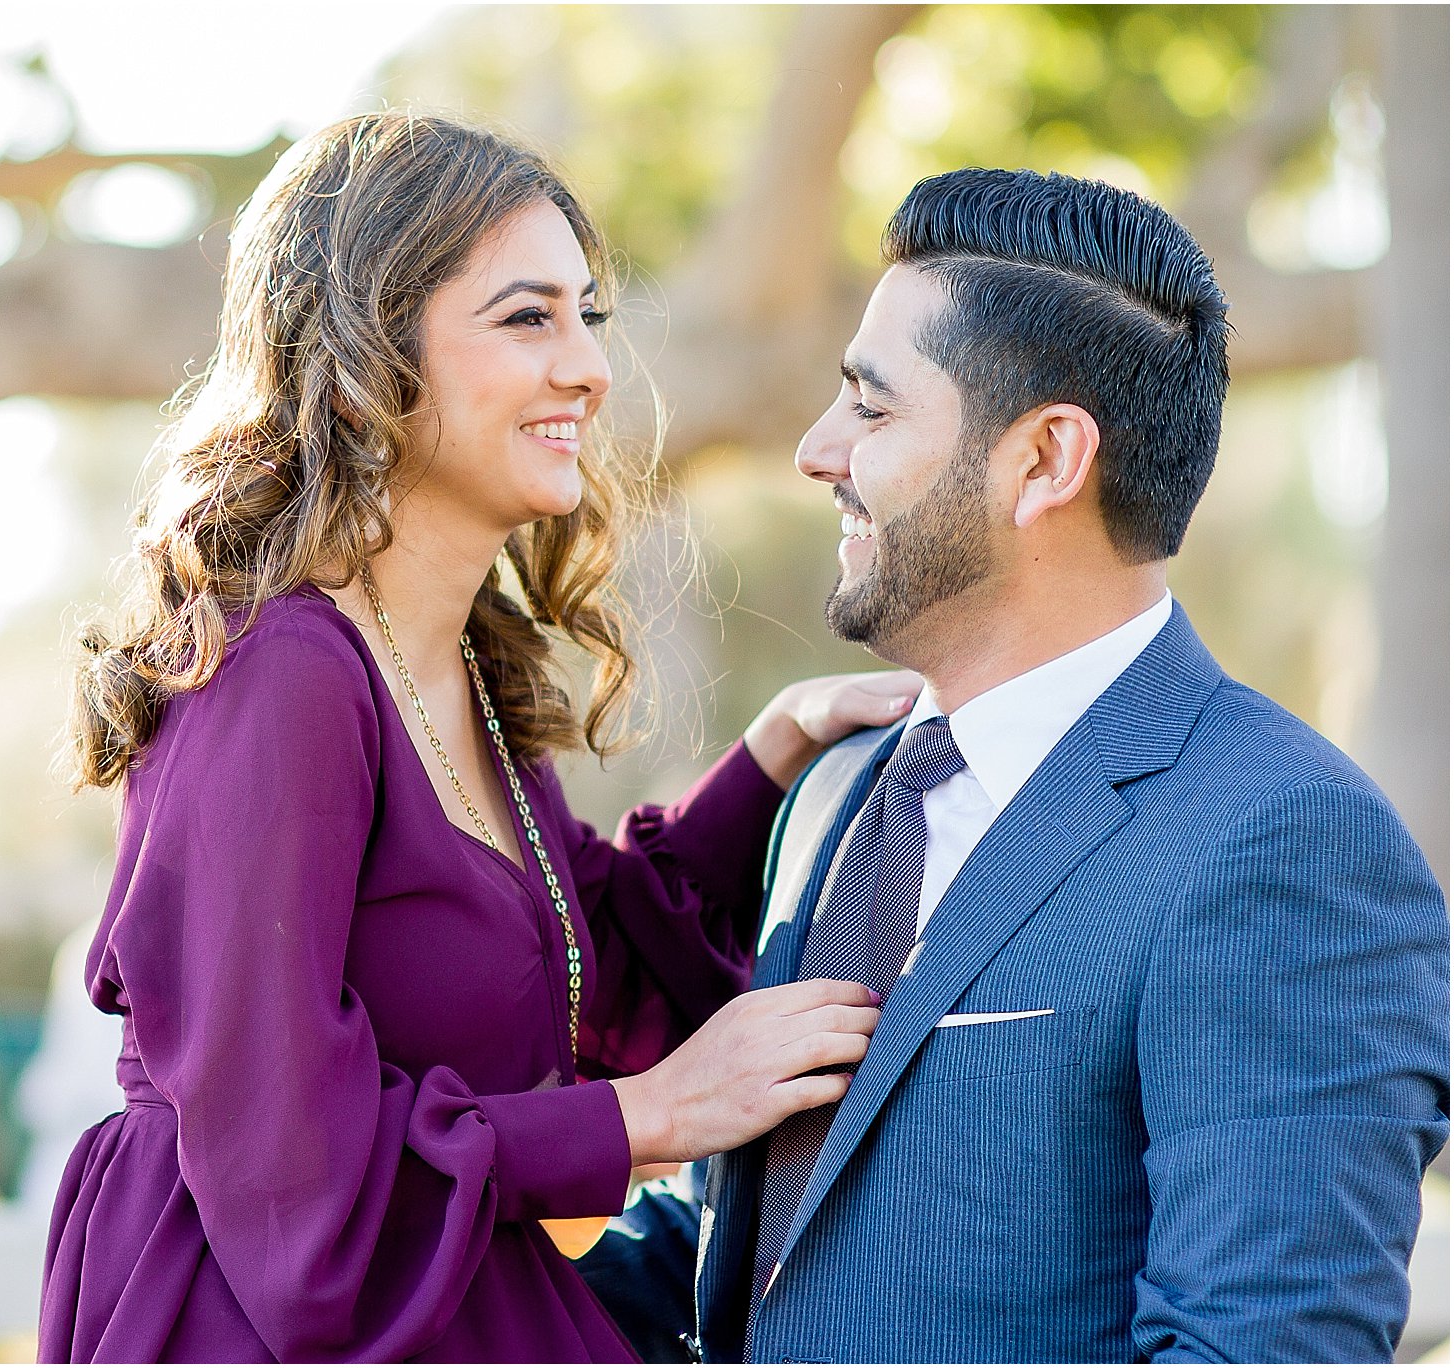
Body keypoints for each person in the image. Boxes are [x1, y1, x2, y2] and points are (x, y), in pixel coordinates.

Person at [36, 110, 921, 1363]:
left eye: (586, 316)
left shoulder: (461, 669)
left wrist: (771, 757)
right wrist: (647, 1116)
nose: (588, 369)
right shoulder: (280, 675)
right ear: (366, 350)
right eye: (526, 317)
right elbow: (290, 1181)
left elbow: (566, 969)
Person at [578, 167, 1450, 1363]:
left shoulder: (1283, 841)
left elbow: (1253, 1348)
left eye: (869, 410)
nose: (813, 449)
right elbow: (758, 1235)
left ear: (1043, 461)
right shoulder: (836, 791)